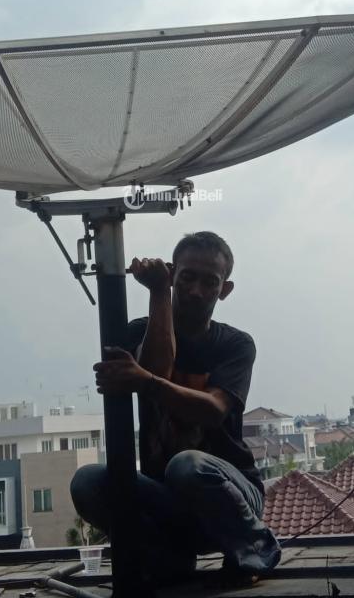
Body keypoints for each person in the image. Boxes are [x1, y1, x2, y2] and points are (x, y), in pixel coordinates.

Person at [70, 231, 281, 585]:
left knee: (186, 466)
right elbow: (157, 369)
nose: (196, 290)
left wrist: (144, 381)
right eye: (186, 278)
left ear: (225, 290)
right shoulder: (139, 331)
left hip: (230, 494)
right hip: (168, 499)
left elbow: (213, 409)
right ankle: (169, 557)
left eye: (209, 282)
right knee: (88, 482)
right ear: (173, 275)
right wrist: (159, 292)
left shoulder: (235, 344)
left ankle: (255, 549)